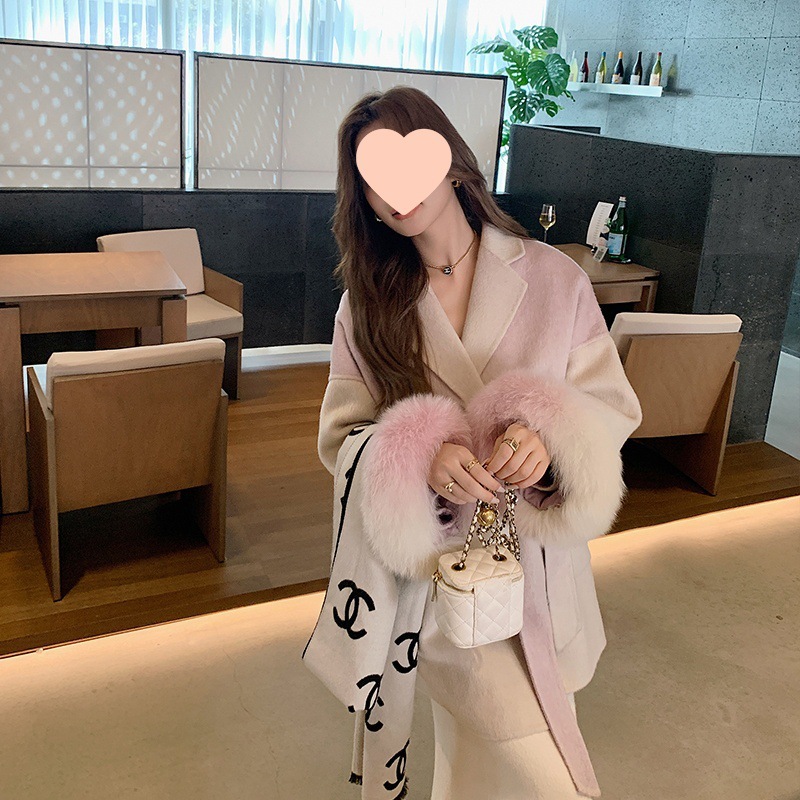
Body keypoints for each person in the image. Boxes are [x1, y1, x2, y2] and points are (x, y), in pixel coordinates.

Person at [309, 85, 643, 799]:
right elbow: (343, 439)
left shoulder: (554, 277)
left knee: (475, 767)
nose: (395, 191)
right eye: (373, 178)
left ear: (452, 162)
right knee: (549, 778)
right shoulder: (366, 306)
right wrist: (417, 452)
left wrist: (549, 440)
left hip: (544, 575)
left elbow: (612, 408)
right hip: (438, 586)